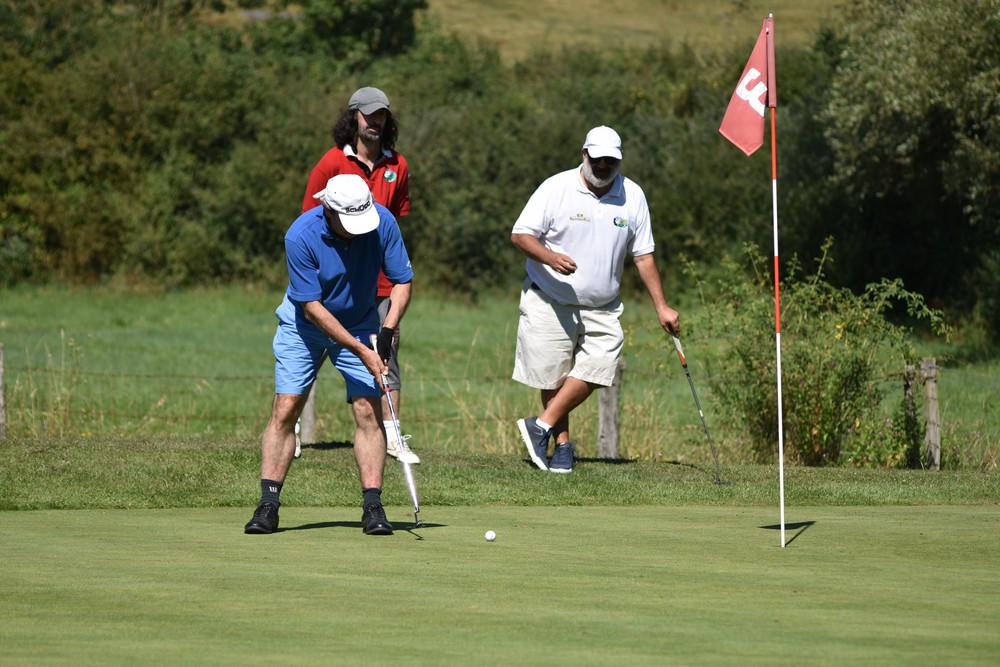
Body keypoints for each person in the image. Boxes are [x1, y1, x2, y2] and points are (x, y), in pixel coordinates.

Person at [244, 173, 413, 535]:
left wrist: (387, 329)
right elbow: (312, 308)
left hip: (361, 323)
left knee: (368, 409)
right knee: (286, 407)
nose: (358, 229)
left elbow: (402, 280)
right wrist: (360, 349)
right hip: (304, 325)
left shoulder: (382, 222)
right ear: (329, 210)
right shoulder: (300, 235)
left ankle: (373, 506)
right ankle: (268, 505)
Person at [510, 125, 680, 473]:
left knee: (601, 365)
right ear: (584, 154)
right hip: (550, 297)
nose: (603, 166)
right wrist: (550, 258)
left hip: (603, 305)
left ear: (619, 160)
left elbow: (643, 256)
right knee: (553, 377)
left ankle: (540, 425)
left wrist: (661, 306)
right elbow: (520, 235)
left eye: (610, 161)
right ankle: (562, 447)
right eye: (597, 159)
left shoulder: (632, 195)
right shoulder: (556, 187)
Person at [297, 86, 419, 465]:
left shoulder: (398, 165)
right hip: (332, 281)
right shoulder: (331, 162)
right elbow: (310, 220)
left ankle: (393, 436)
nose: (375, 122)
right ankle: (292, 429)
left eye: (382, 115)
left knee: (386, 355)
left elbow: (395, 225)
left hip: (380, 284)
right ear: (354, 117)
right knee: (311, 354)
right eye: (369, 115)